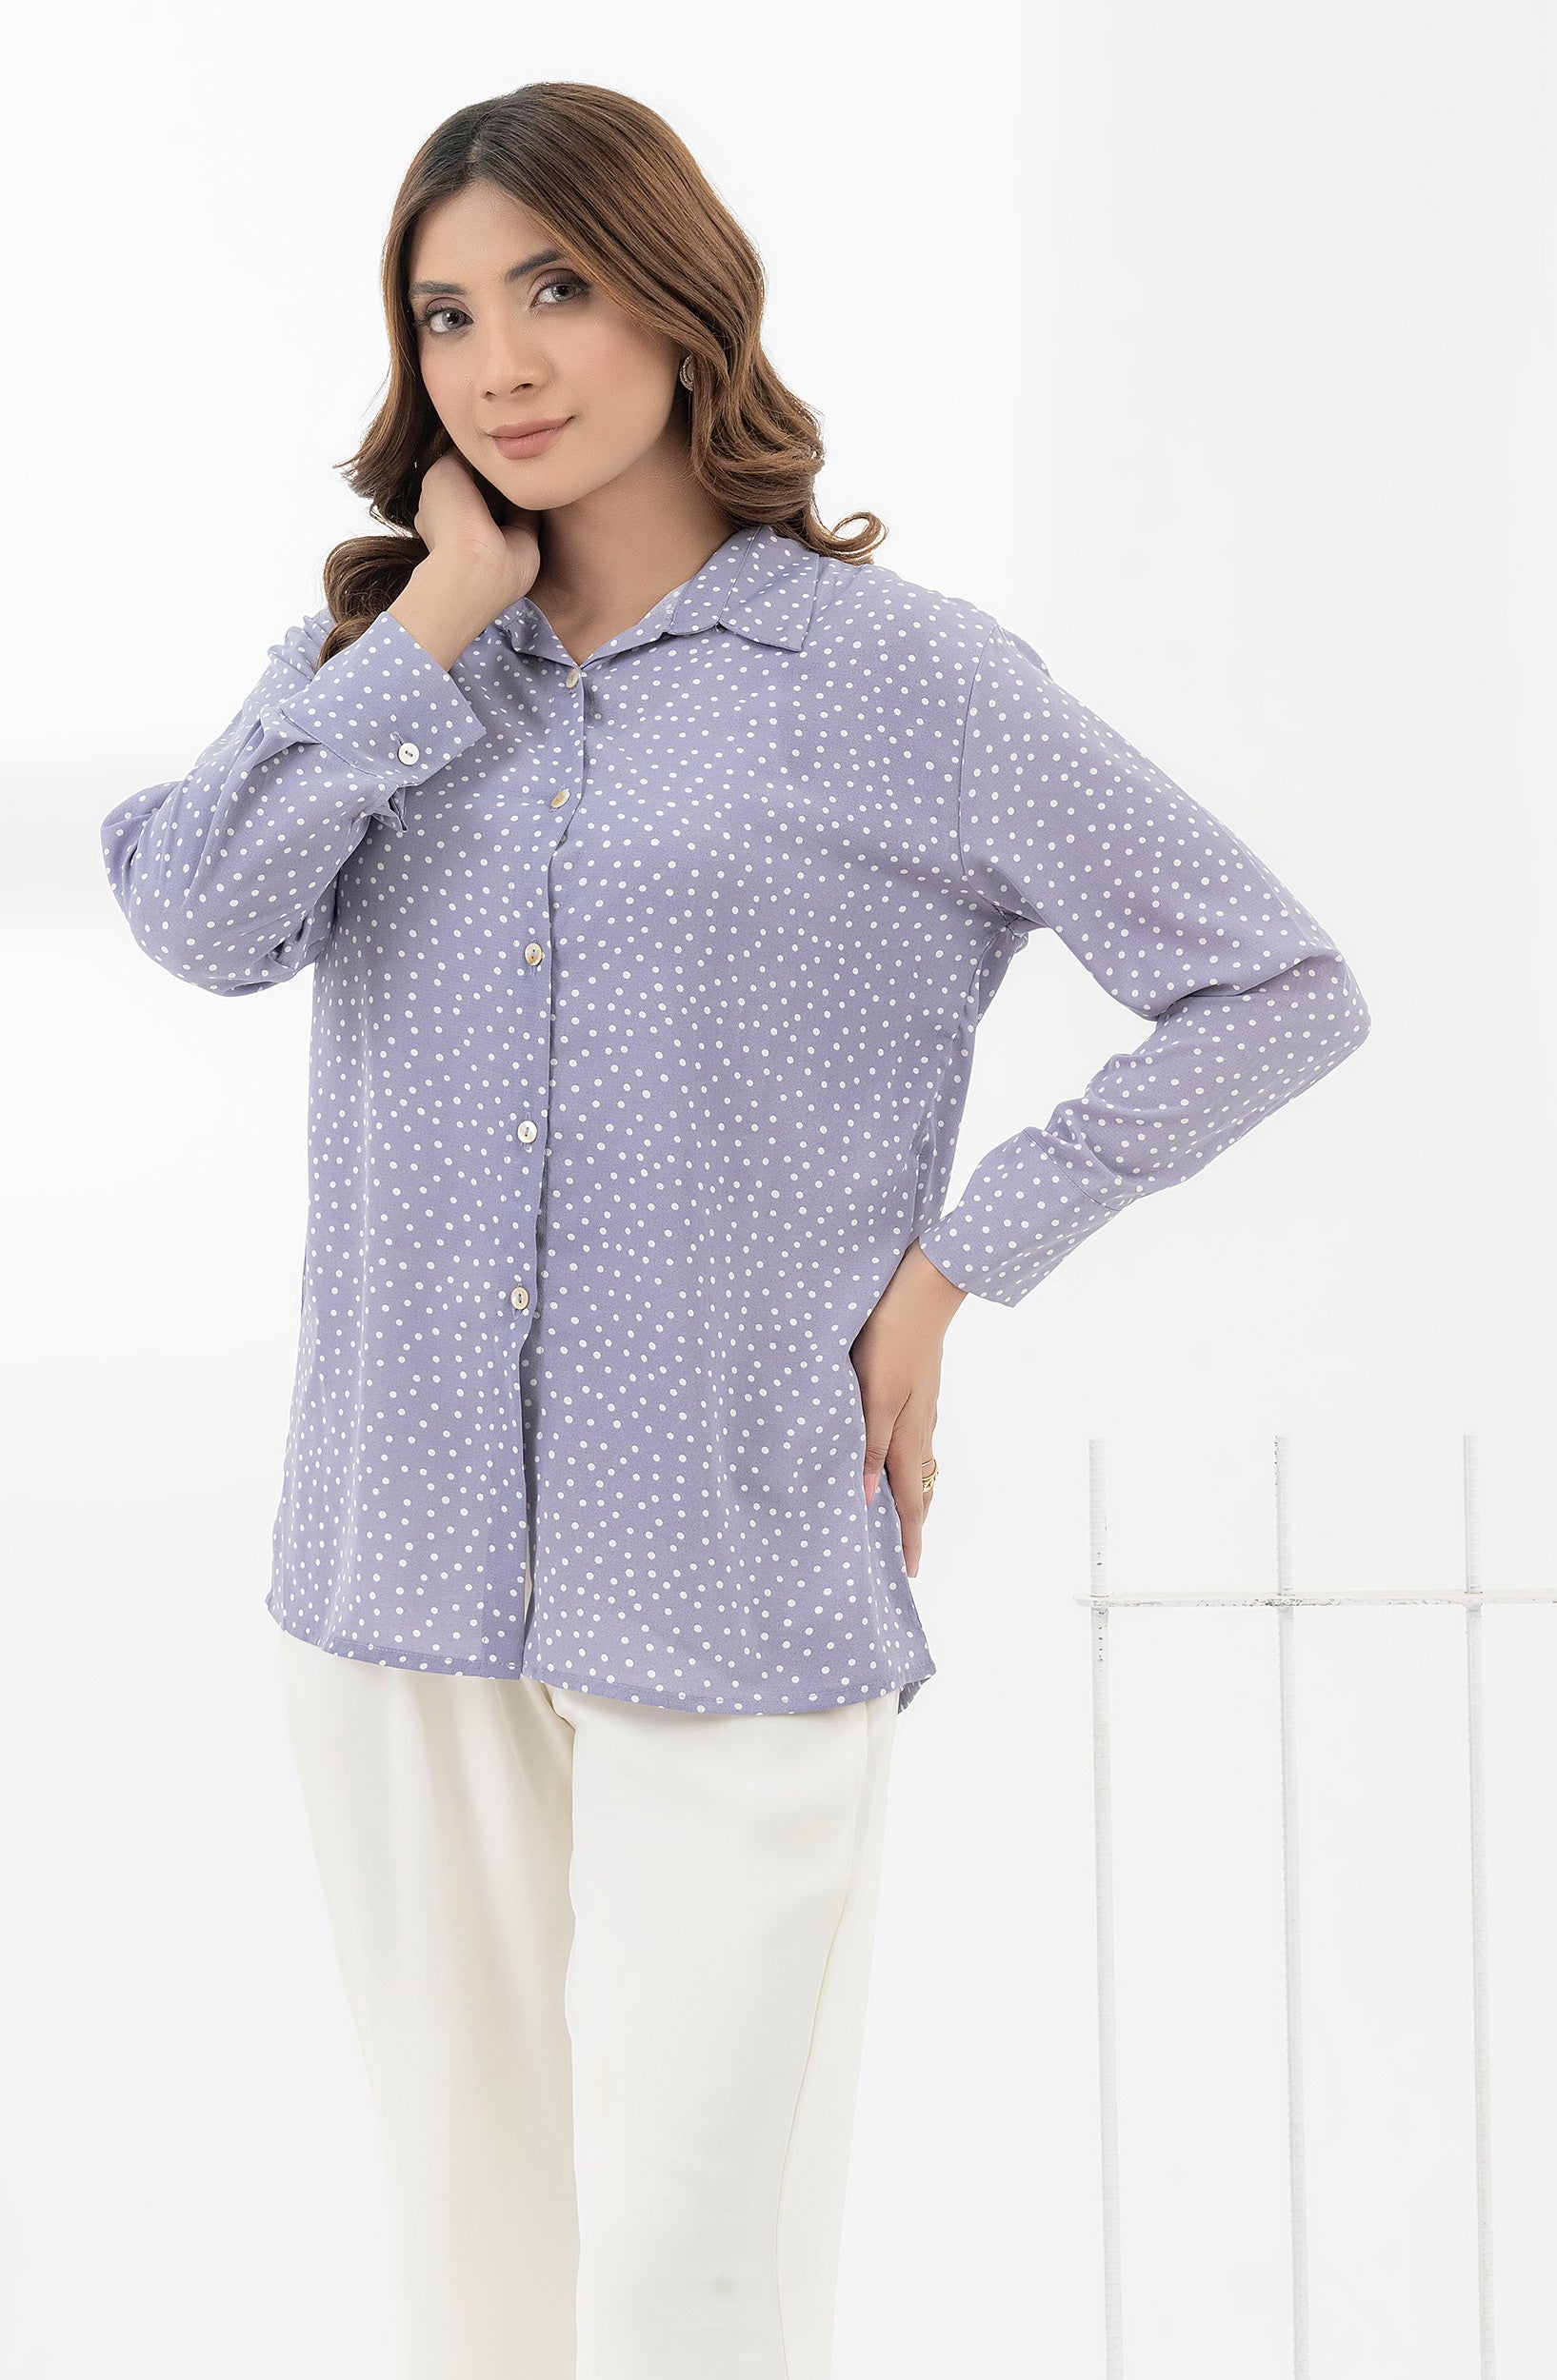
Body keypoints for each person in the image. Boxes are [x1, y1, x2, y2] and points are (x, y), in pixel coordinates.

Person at [98, 79, 1370, 2380]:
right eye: (445, 313)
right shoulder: (383, 672)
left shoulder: (900, 680)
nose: (499, 360)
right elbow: (197, 919)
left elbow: (1268, 981)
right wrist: (432, 625)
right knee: (475, 2268)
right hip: (396, 1565)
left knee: (695, 2273)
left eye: (554, 289)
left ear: (682, 307)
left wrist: (953, 1266)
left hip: (731, 1548)